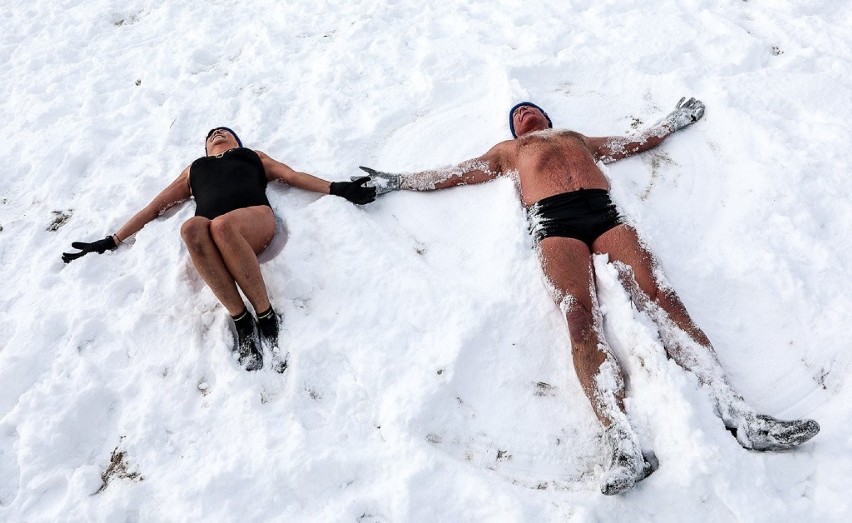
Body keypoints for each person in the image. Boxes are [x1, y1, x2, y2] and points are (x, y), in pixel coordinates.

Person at [357, 98, 819, 495]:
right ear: (513, 129)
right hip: (553, 223)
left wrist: (674, 121)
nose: (524, 115)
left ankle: (741, 416)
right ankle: (622, 444)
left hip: (605, 214)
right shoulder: (509, 152)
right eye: (517, 115)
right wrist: (396, 181)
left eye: (531, 109)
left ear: (546, 115)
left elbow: (635, 141)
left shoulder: (576, 137)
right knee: (579, 319)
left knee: (664, 296)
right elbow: (457, 173)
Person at [63, 127, 375, 372]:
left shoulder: (252, 156)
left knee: (223, 226)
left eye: (224, 132)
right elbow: (155, 206)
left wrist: (338, 187)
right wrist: (113, 239)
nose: (216, 134)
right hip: (214, 232)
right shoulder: (194, 169)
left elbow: (291, 175)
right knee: (191, 229)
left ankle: (266, 315)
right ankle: (242, 320)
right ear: (206, 149)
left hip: (255, 220)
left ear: (236, 141)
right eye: (211, 135)